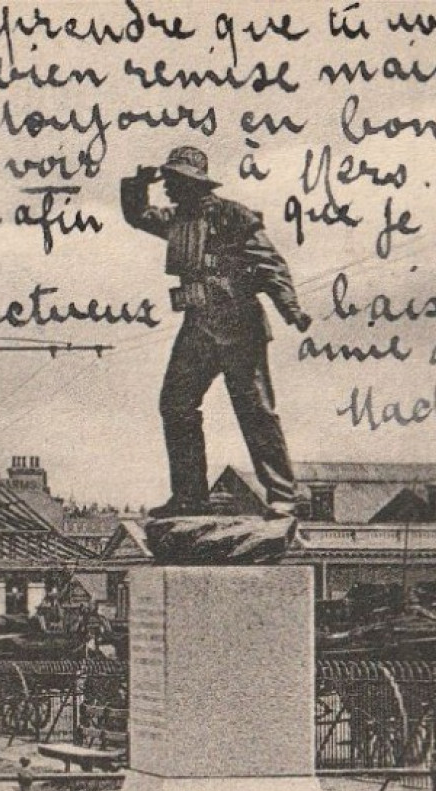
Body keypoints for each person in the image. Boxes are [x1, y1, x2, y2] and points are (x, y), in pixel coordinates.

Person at [121, 146, 312, 520]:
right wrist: (137, 185)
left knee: (255, 410)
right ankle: (190, 496)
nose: (168, 190)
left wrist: (290, 309)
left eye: (173, 182)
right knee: (176, 405)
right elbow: (139, 215)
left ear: (192, 183)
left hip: (241, 328)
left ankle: (282, 495)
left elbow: (271, 265)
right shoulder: (177, 220)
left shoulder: (234, 217)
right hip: (199, 328)